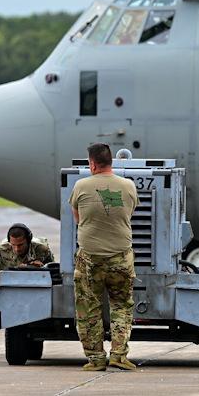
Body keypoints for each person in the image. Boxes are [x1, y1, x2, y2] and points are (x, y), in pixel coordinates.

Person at [69, 143, 139, 371]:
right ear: (111, 162)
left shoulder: (81, 186)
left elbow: (77, 218)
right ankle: (118, 355)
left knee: (89, 308)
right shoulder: (128, 186)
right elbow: (130, 213)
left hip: (90, 258)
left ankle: (96, 359)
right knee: (122, 305)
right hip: (121, 256)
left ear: (92, 163)